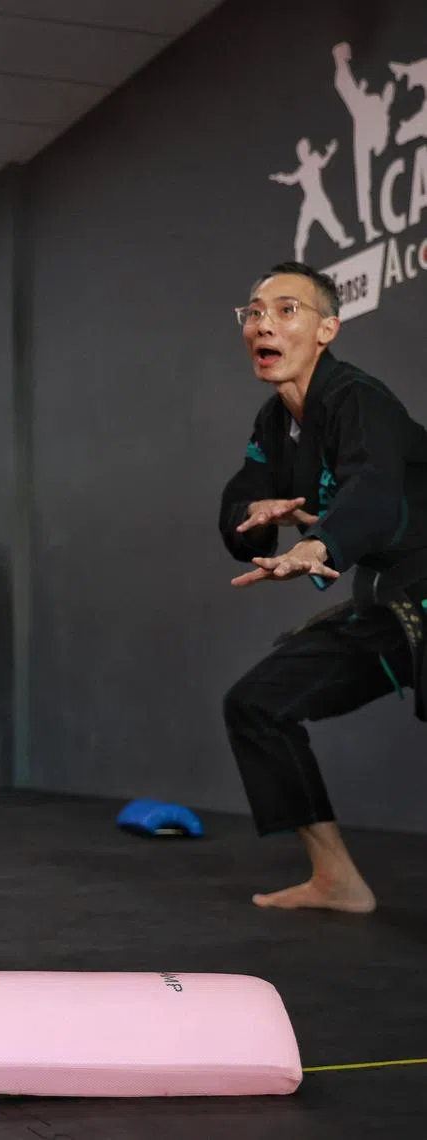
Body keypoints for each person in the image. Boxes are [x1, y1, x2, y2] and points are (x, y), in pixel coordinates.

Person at [219, 260, 427, 914]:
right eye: (255, 312)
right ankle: (336, 878)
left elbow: (373, 492)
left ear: (327, 329)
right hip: (393, 600)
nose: (264, 324)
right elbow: (242, 501)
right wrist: (256, 518)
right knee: (256, 704)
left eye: (287, 310)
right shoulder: (274, 422)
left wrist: (317, 545)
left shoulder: (358, 399)